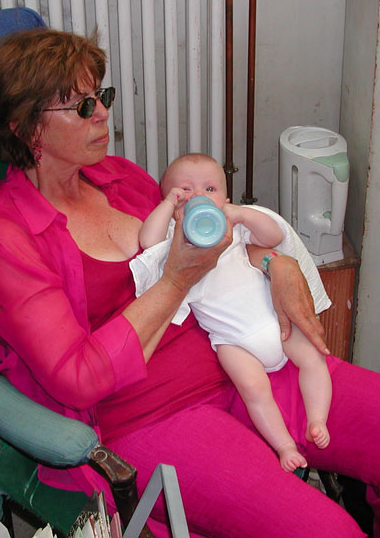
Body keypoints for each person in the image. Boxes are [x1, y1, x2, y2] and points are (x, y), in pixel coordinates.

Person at [0, 27, 380, 538]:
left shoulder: (120, 177)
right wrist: (176, 281)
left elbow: (218, 238)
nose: (103, 114)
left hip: (239, 356)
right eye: (81, 106)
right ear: (26, 128)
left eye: (102, 96)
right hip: (152, 417)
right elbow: (78, 377)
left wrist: (275, 263)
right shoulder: (6, 241)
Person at [135, 153, 331, 472]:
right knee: (254, 389)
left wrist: (241, 214)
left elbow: (274, 237)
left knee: (313, 359)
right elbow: (147, 240)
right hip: (232, 341)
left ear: (225, 199)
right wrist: (169, 206)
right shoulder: (174, 237)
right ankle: (284, 446)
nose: (198, 196)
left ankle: (318, 419)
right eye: (185, 190)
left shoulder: (234, 228)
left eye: (210, 189)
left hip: (275, 321)